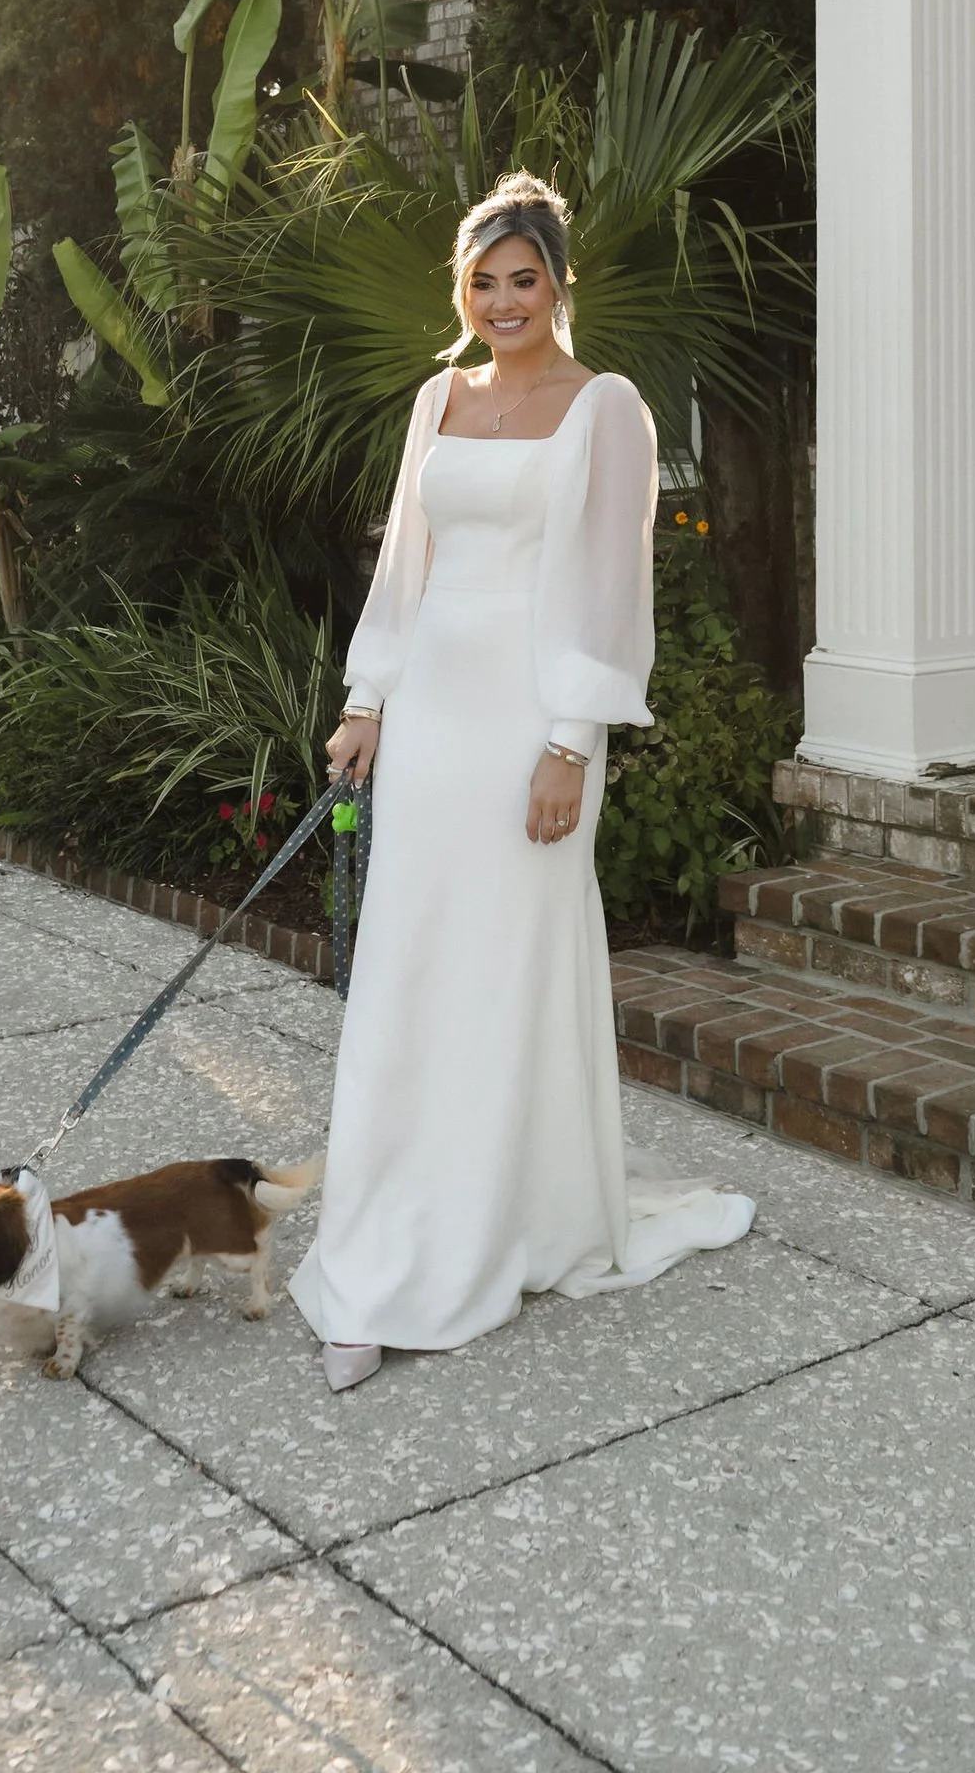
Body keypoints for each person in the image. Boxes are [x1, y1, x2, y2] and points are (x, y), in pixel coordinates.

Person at [289, 171, 755, 1389]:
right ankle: (383, 1239)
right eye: (483, 280)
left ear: (557, 285)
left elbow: (611, 587)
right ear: (463, 289)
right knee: (409, 961)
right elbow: (405, 559)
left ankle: (501, 1225)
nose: (502, 300)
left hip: (533, 720)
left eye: (523, 279)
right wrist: (365, 700)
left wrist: (569, 740)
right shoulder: (435, 398)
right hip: (435, 709)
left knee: (506, 967)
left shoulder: (607, 409)